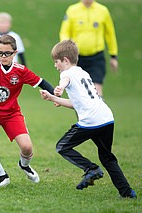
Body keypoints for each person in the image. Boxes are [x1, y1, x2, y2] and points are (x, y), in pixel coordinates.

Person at [40, 40, 136, 199]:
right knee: (107, 157)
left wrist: (60, 88)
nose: (55, 66)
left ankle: (91, 169)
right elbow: (77, 104)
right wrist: (52, 98)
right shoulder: (83, 73)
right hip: (106, 118)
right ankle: (127, 193)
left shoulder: (66, 73)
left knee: (62, 147)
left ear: (65, 60)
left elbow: (64, 81)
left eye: (56, 62)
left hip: (90, 121)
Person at [0, 34, 55, 188]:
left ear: (15, 53)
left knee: (27, 147)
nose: (3, 56)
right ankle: (3, 177)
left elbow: (42, 82)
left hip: (12, 114)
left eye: (7, 53)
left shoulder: (21, 70)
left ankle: (24, 165)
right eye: (0, 53)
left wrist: (55, 95)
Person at [59, 0, 118, 97]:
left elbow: (110, 34)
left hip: (96, 58)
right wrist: (66, 49)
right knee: (80, 93)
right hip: (77, 59)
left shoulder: (103, 11)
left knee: (96, 90)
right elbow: (64, 32)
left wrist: (113, 55)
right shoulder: (72, 10)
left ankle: (99, 111)